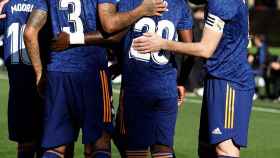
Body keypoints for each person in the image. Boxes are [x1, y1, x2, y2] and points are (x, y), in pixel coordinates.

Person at [23, 0, 167, 158]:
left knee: (56, 148)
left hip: (58, 72)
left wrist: (39, 74)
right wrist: (141, 10)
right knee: (100, 142)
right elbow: (111, 27)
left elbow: (29, 32)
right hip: (93, 72)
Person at [133, 0, 255, 158]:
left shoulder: (221, 1)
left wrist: (162, 43)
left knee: (225, 150)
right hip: (217, 77)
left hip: (229, 80)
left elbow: (205, 49)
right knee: (206, 150)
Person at [0, 0, 45, 157]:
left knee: (24, 143)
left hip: (17, 77)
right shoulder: (43, 3)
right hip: (39, 74)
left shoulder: (8, 5)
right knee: (46, 140)